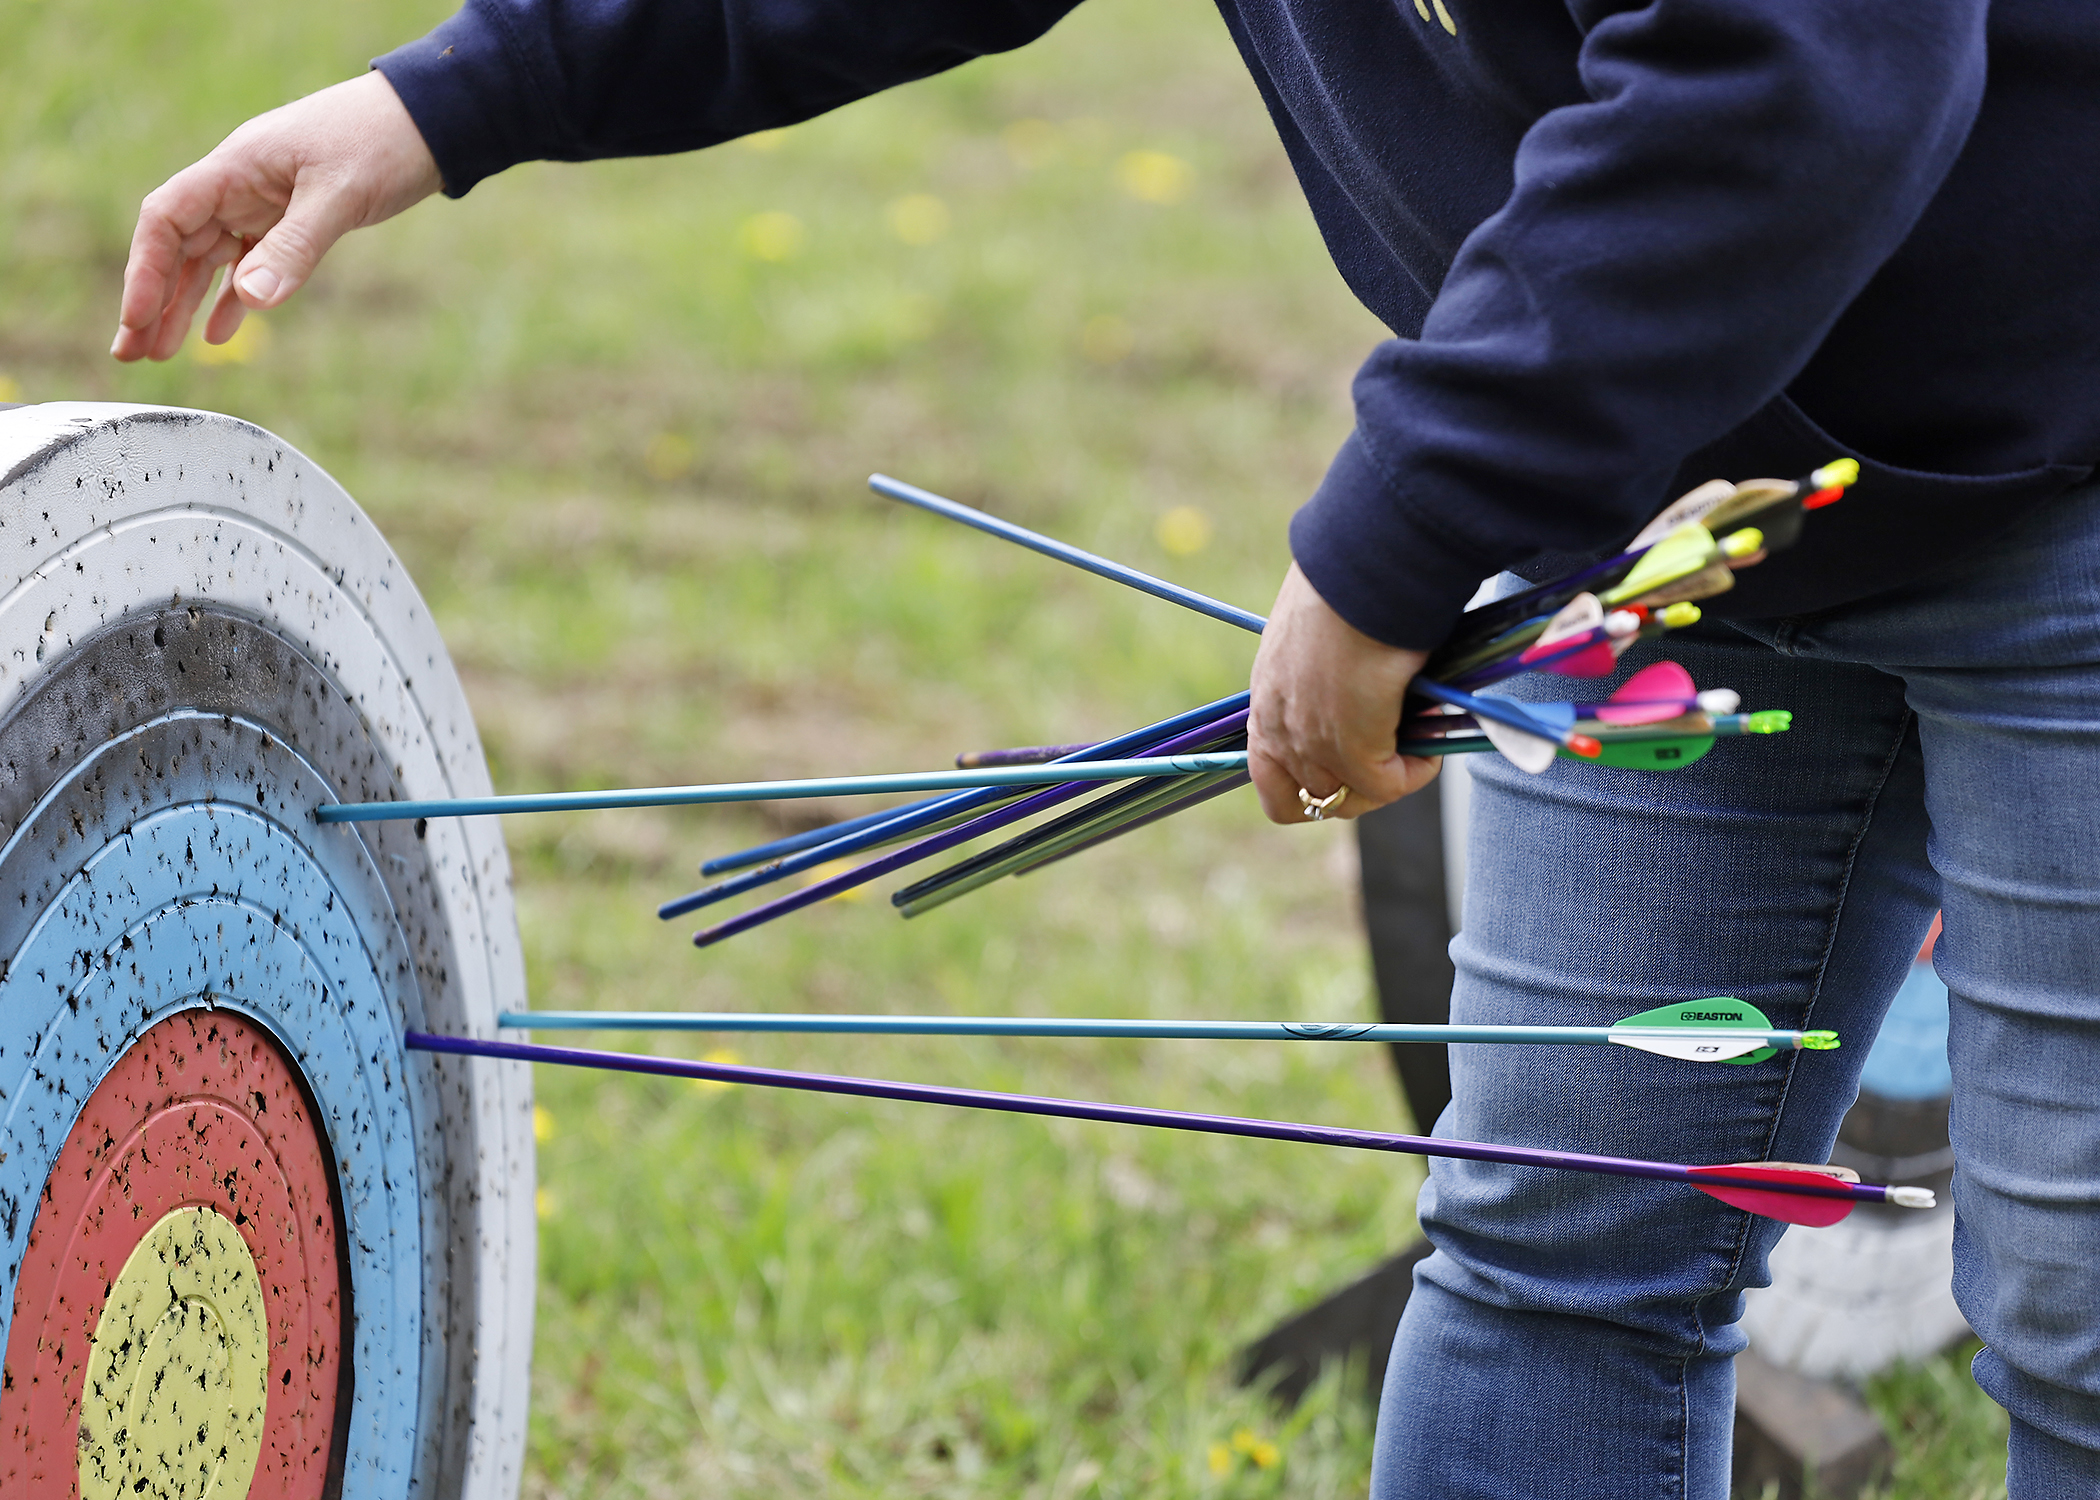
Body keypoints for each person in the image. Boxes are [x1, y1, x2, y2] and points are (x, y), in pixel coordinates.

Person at [111, 4, 2100, 1493]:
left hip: (2065, 473)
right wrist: (448, 99)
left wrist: (1406, 527)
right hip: (1681, 523)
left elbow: (1797, 73)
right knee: (1559, 1253)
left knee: (2081, 1323)